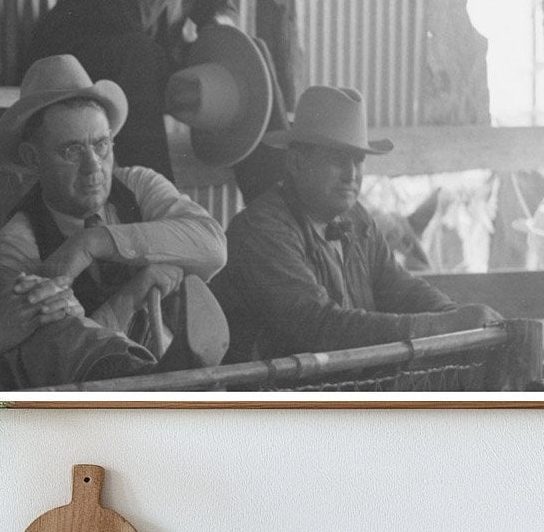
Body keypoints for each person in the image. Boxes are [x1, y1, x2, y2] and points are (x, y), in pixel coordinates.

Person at [0, 54, 229, 388]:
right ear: (32, 158)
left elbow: (213, 245)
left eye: (101, 146)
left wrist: (92, 243)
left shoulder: (138, 185)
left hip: (176, 376)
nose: (94, 167)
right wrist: (133, 294)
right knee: (53, 322)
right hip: (89, 408)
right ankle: (148, 377)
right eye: (72, 151)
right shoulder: (18, 245)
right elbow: (56, 354)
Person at [211, 85, 502, 361]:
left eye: (358, 160)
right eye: (337, 160)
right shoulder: (263, 231)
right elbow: (319, 327)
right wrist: (444, 326)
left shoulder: (356, 219)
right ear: (297, 163)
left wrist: (456, 316)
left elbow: (401, 289)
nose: (352, 175)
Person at [27, 0, 235, 177]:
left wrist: (226, 36)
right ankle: (158, 201)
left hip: (150, 60)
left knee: (252, 54)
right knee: (139, 54)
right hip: (82, 58)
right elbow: (132, 15)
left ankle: (273, 201)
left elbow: (218, 6)